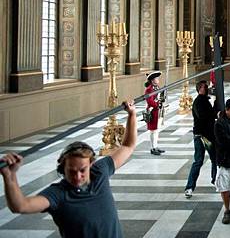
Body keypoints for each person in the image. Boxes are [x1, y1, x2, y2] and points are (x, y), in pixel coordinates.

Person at [0, 100, 136, 238]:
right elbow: (21, 206)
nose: (77, 176)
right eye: (71, 171)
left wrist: (132, 114)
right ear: (62, 168)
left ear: (91, 164)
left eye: (82, 170)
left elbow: (127, 146)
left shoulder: (100, 172)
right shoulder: (58, 194)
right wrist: (9, 176)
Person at [185, 81, 218, 198]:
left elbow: (211, 115)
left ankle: (215, 180)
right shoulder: (199, 102)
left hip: (208, 135)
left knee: (215, 159)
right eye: (205, 87)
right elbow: (206, 116)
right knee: (198, 161)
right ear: (200, 89)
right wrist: (215, 110)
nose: (207, 88)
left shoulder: (205, 101)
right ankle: (189, 187)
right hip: (201, 136)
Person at [145, 71, 165, 155]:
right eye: (156, 78)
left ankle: (155, 146)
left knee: (157, 130)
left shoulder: (156, 88)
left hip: (158, 111)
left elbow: (159, 97)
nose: (158, 80)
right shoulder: (149, 89)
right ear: (152, 80)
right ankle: (153, 148)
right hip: (153, 111)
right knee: (153, 131)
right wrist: (157, 104)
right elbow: (149, 101)